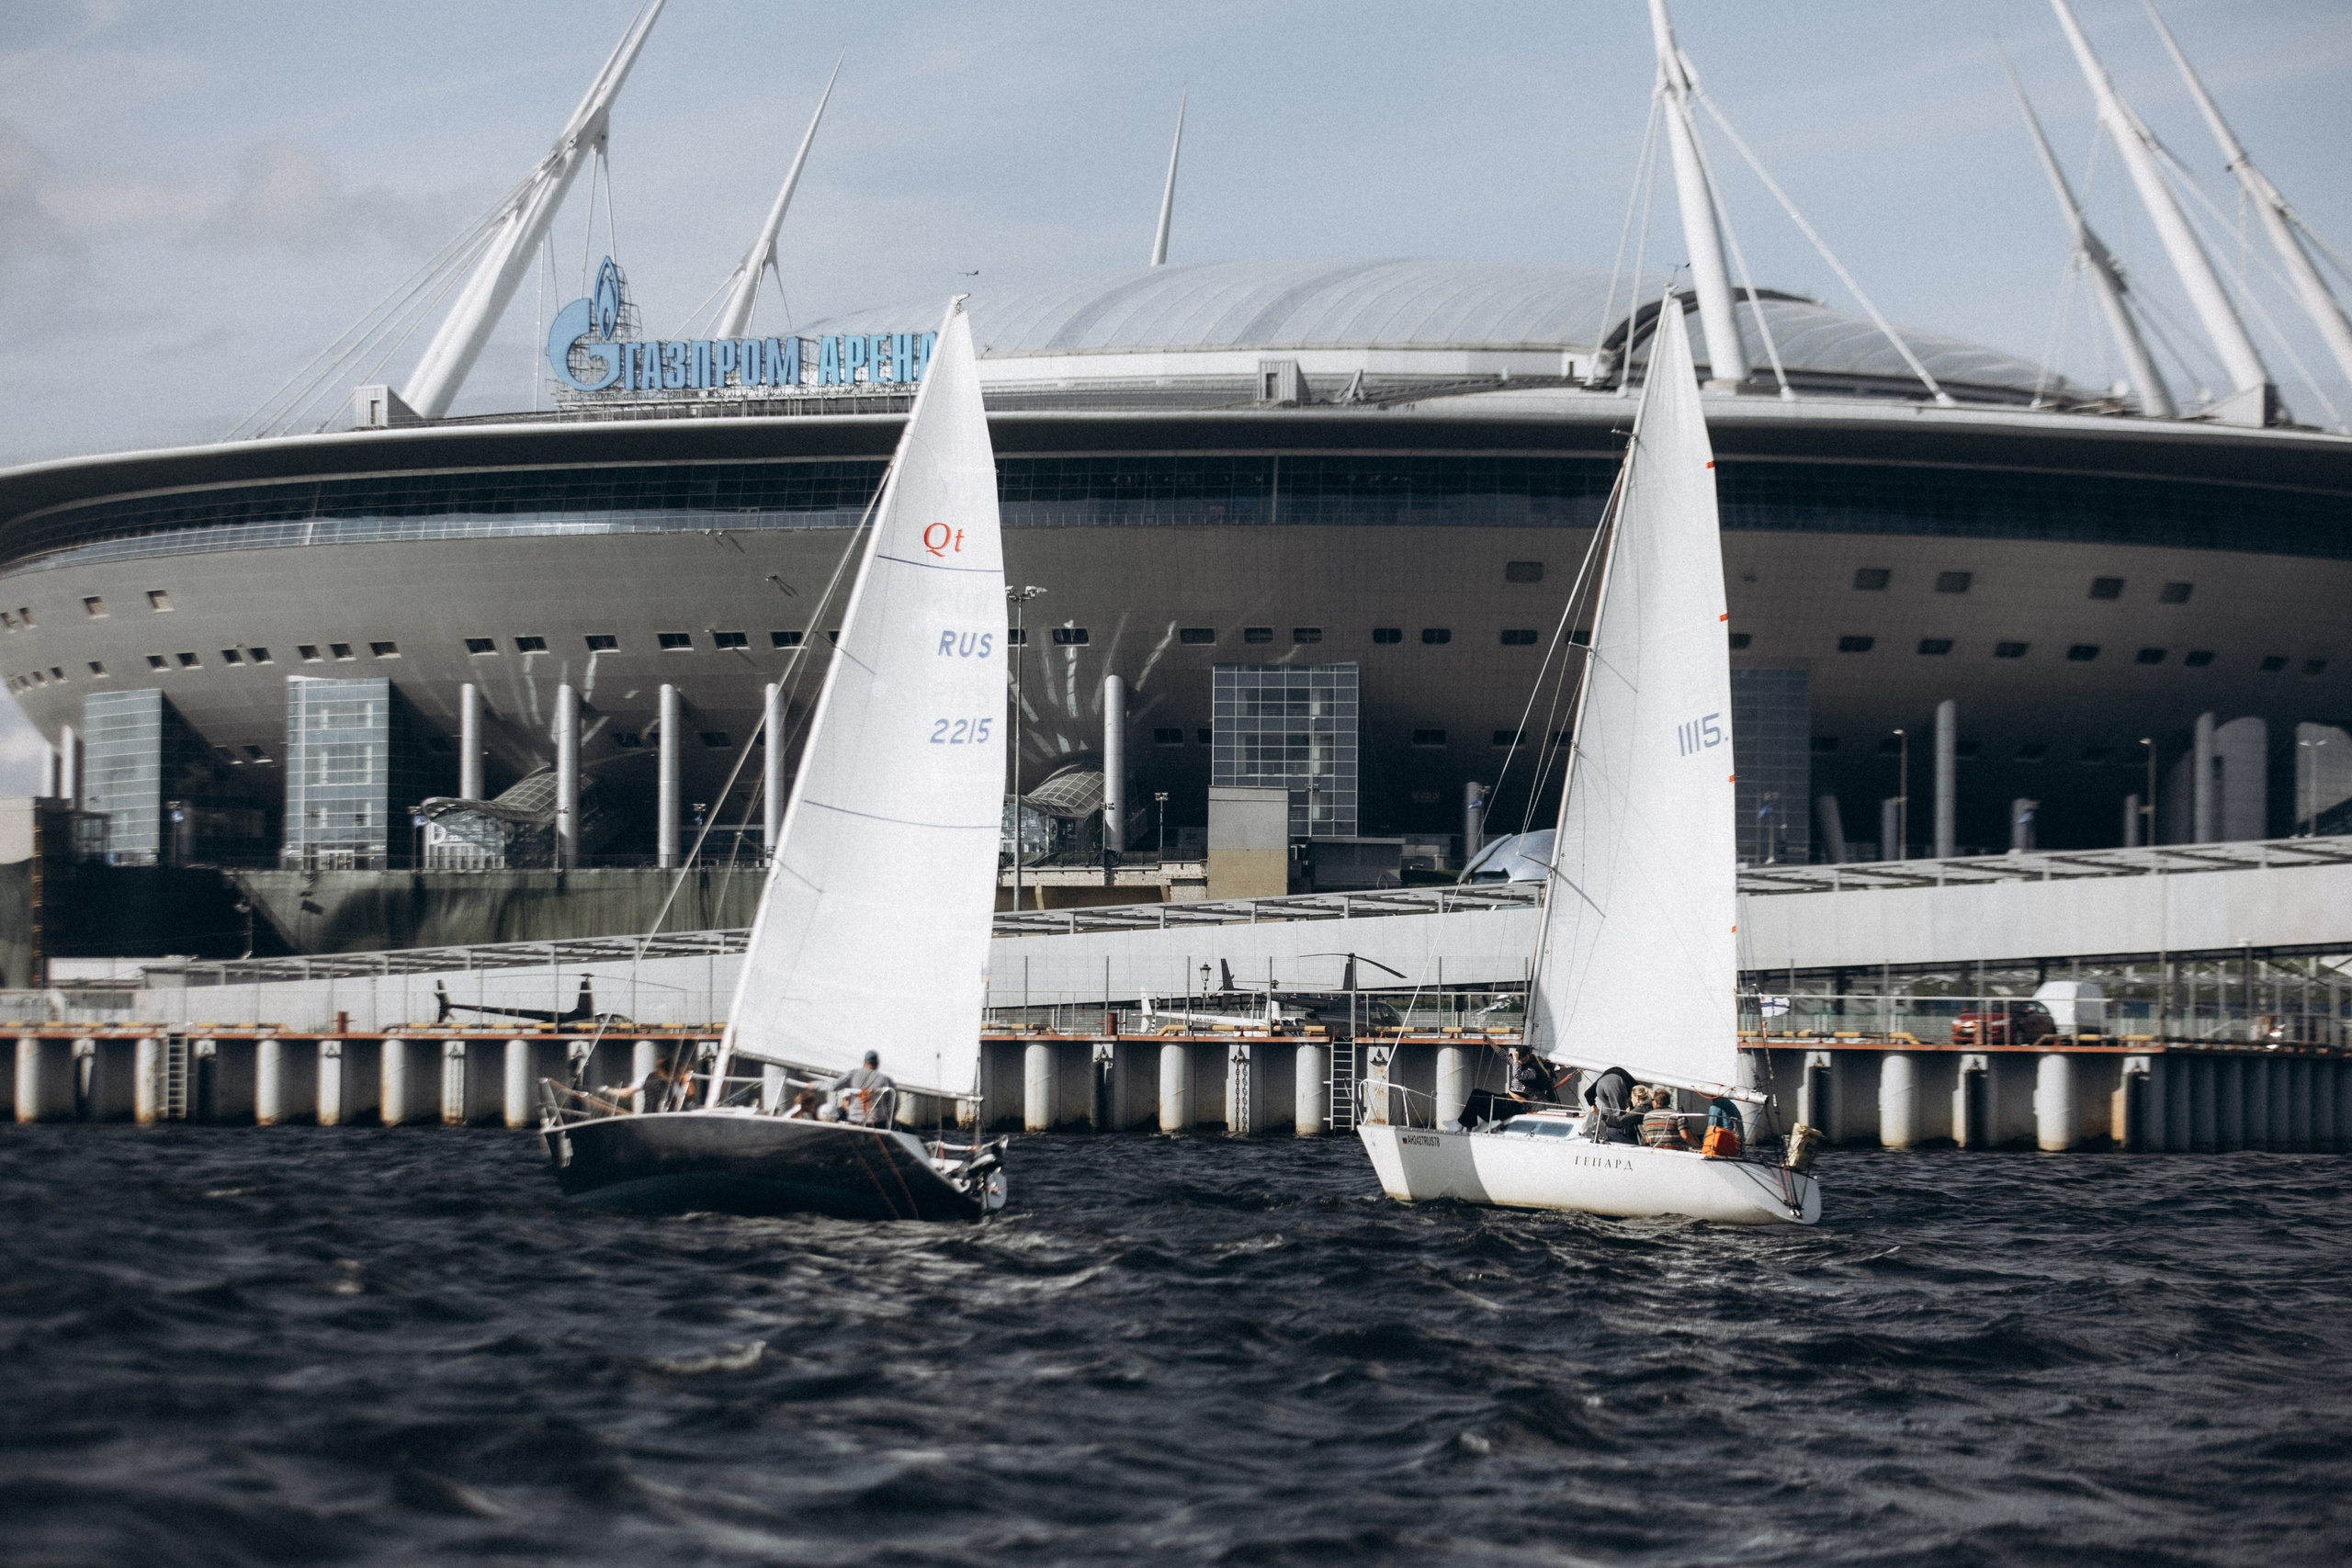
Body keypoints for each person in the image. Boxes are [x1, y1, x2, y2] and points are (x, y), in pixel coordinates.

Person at [824, 1051, 896, 1125]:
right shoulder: (886, 1080)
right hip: (875, 1122)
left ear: (864, 1063)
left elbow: (836, 1087)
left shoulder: (853, 1075)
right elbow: (893, 1104)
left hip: (855, 1120)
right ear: (877, 1064)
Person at [1580, 1065, 1644, 1145]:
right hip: (1614, 1082)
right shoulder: (1636, 1088)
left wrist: (1593, 1106)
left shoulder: (1629, 1085)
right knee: (1619, 1118)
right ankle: (1619, 1141)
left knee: (1612, 1117)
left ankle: (1612, 1138)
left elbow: (1588, 1094)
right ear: (1638, 1097)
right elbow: (1631, 1110)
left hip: (1601, 1085)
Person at [1640, 1085, 1701, 1151]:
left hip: (1656, 1153)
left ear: (1655, 1101)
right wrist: (1696, 1143)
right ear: (1668, 1100)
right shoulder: (1677, 1115)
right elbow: (1685, 1136)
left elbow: (1648, 1140)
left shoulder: (1647, 1117)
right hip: (1674, 1153)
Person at [1702, 1092, 1746, 1159]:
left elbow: (1711, 1125)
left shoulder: (1717, 1104)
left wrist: (1703, 1143)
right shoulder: (1731, 1104)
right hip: (1736, 1145)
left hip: (1723, 1144)